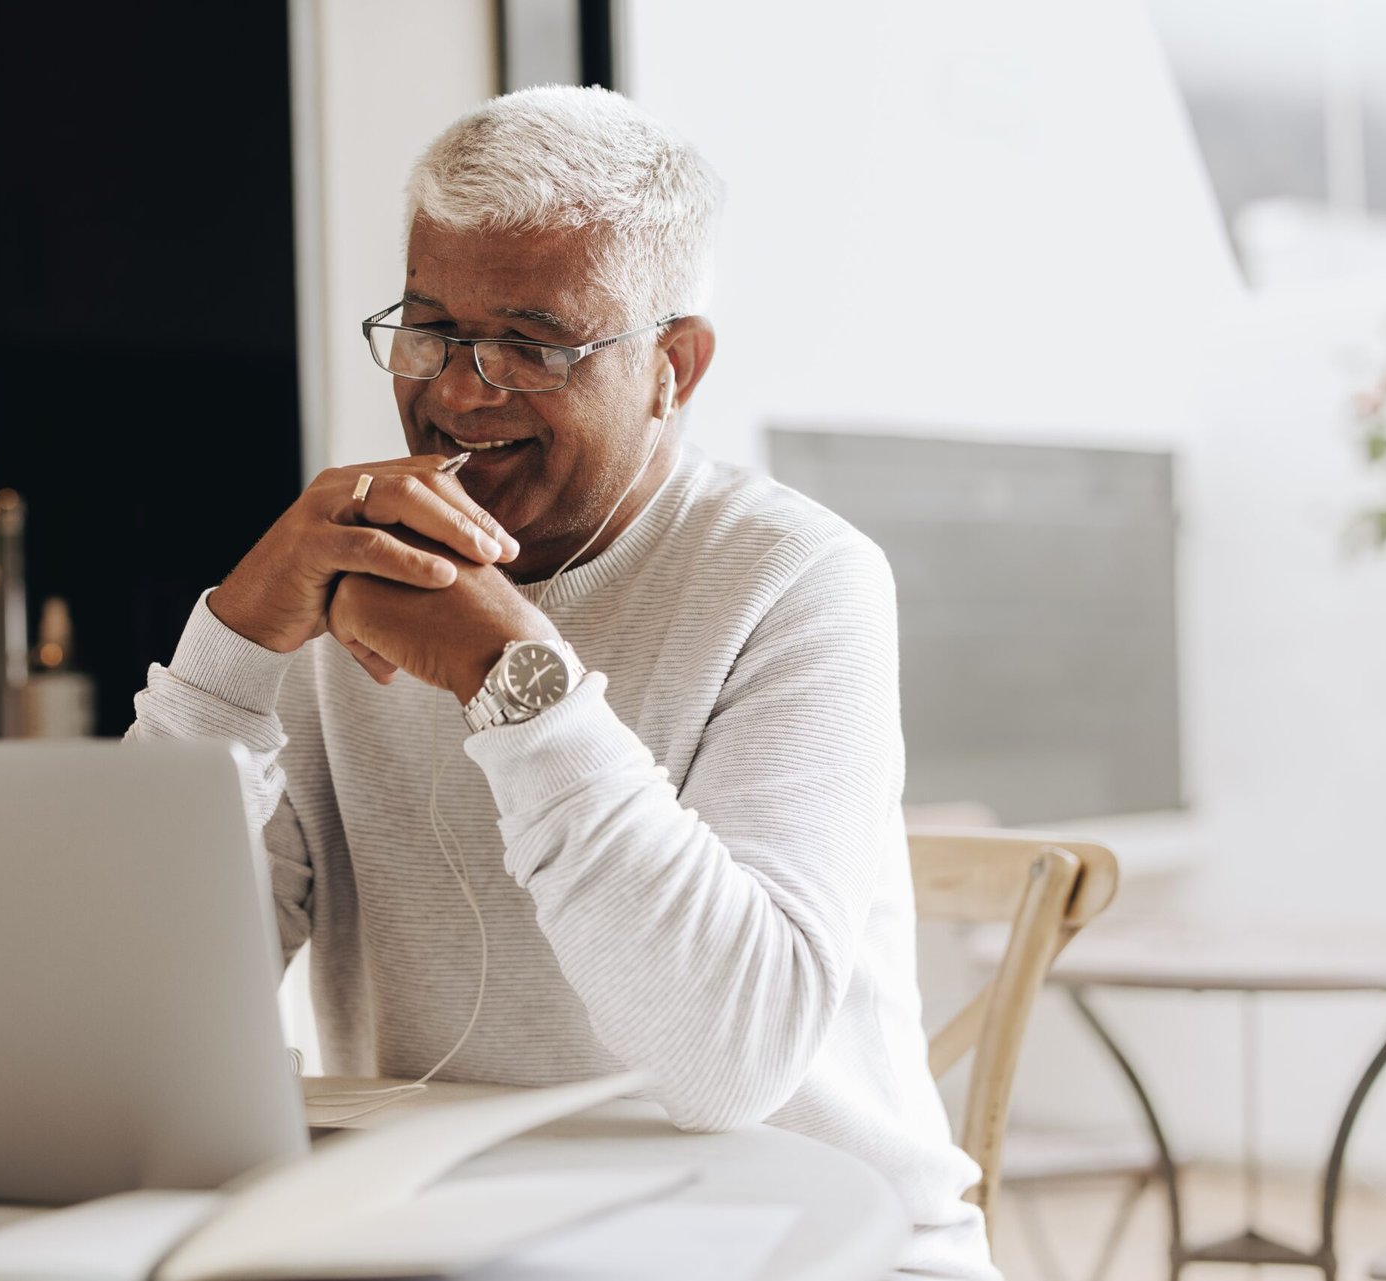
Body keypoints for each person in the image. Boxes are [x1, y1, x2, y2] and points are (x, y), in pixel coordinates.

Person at [128, 85, 995, 1278]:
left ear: (672, 367)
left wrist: (510, 678)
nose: (460, 391)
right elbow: (143, 1013)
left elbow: (725, 1063)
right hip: (465, 1239)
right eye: (430, 328)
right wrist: (230, 652)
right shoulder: (353, 568)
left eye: (533, 345)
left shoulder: (799, 578)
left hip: (804, 1247)